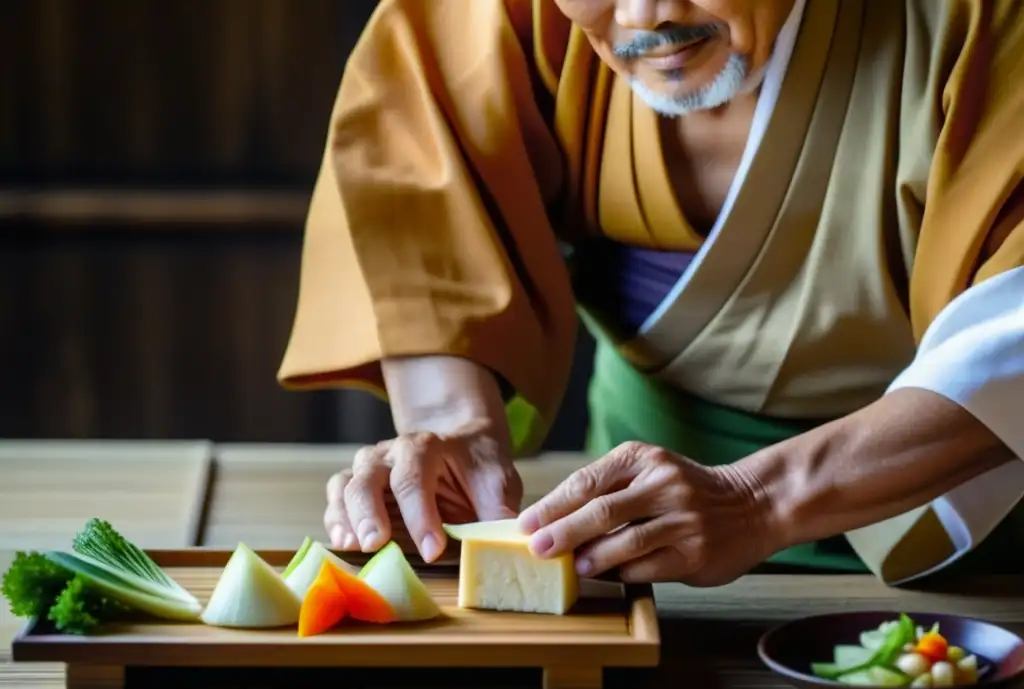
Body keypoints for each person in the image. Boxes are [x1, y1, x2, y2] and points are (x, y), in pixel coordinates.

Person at [277, 0, 1024, 587]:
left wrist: (759, 500)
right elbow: (423, 195)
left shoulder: (978, 21)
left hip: (965, 535)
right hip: (637, 548)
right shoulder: (510, 13)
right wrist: (455, 428)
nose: (643, 18)